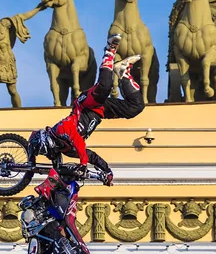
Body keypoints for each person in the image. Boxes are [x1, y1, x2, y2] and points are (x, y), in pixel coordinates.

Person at [27, 34, 145, 185]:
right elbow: (91, 156)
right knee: (135, 107)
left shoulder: (60, 129)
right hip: (100, 111)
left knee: (104, 88)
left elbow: (78, 141)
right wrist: (106, 171)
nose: (51, 151)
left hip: (85, 104)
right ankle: (122, 71)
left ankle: (110, 50)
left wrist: (83, 164)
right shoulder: (68, 149)